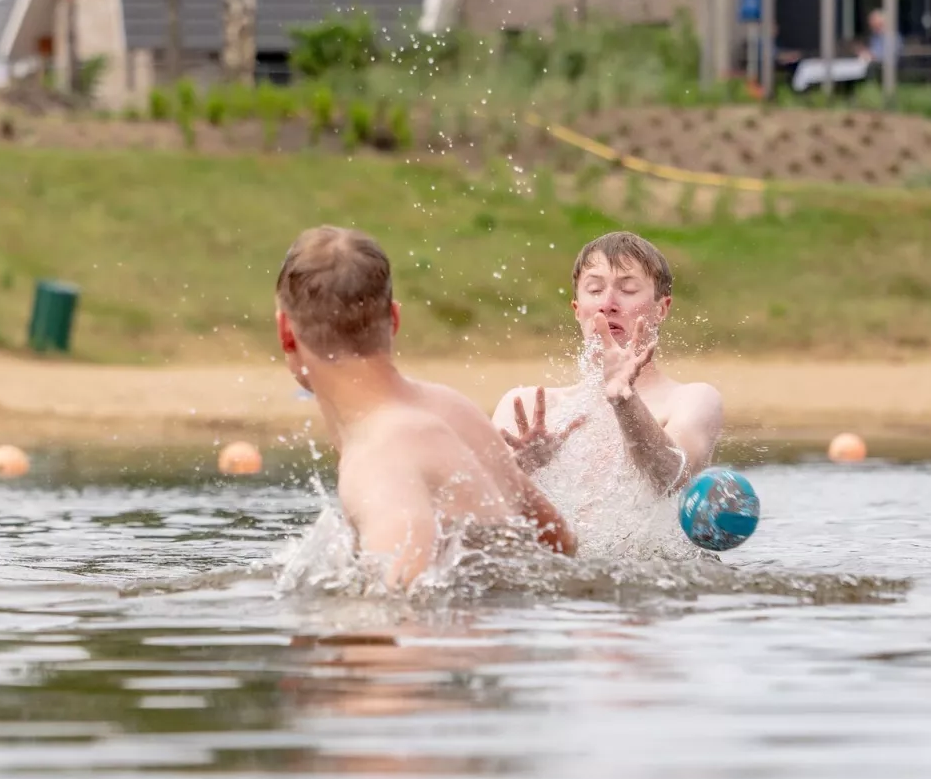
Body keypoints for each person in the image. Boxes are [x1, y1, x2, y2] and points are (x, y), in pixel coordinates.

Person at [275, 226, 575, 590]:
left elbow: (406, 607)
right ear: (395, 319)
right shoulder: (451, 408)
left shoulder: (378, 461)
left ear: (286, 332)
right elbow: (559, 542)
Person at [492, 231, 724, 501]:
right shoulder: (526, 407)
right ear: (578, 309)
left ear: (662, 309)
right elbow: (479, 511)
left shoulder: (693, 399)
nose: (607, 304)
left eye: (627, 289)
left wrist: (624, 401)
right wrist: (521, 468)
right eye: (595, 290)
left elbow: (670, 481)